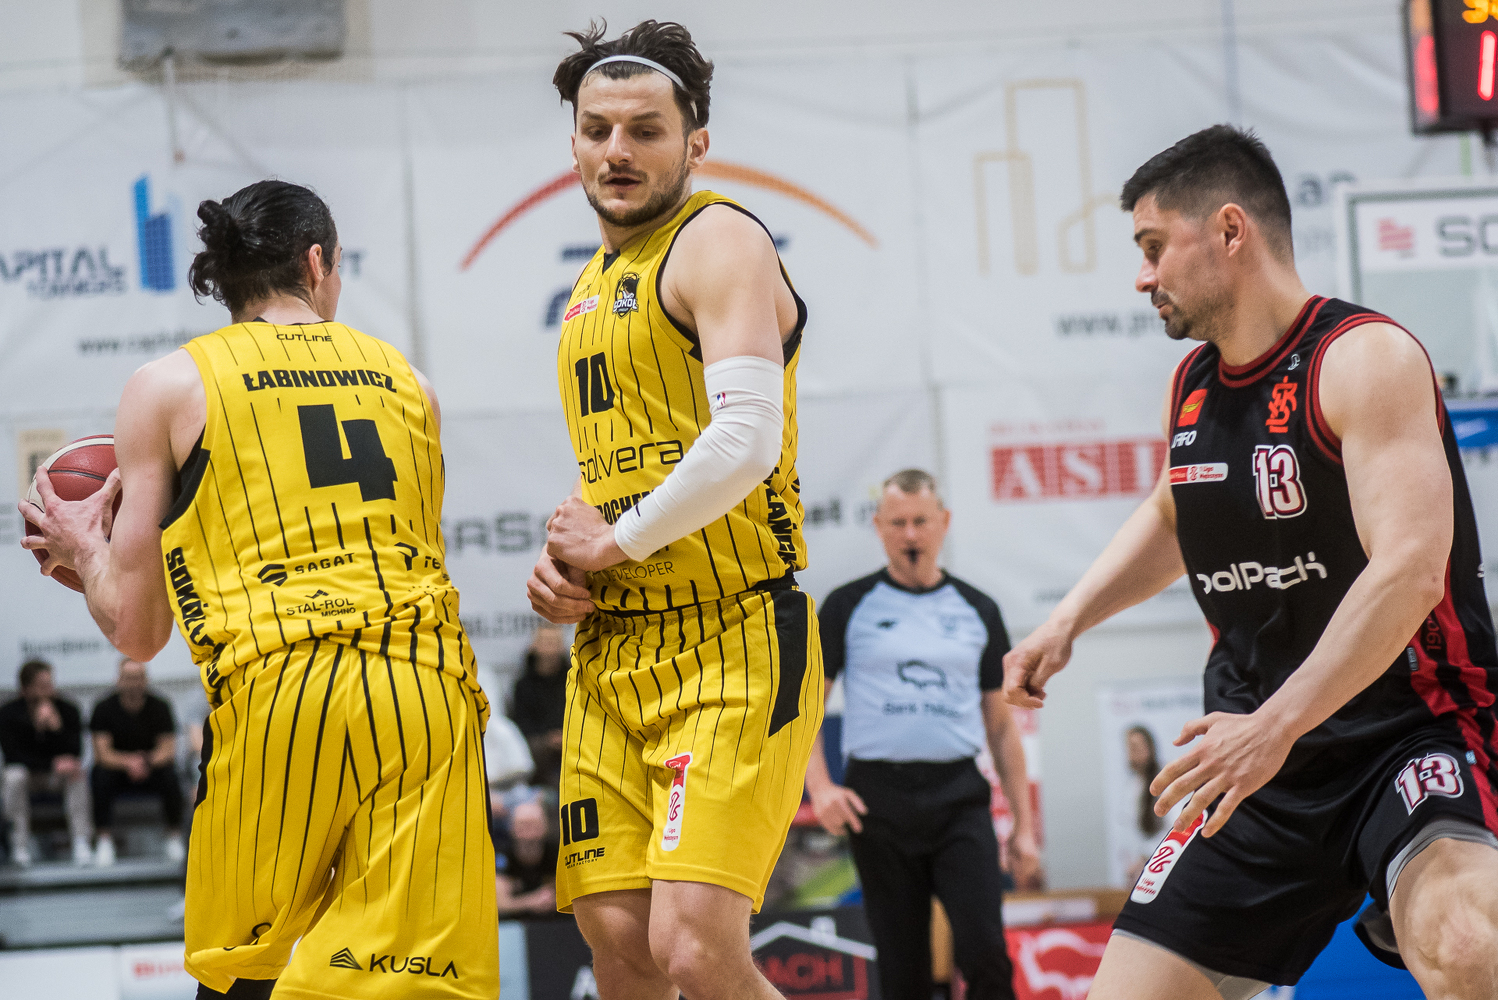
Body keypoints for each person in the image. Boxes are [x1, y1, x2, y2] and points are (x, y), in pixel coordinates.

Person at [1004, 125, 1498, 1000]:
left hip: (1405, 732)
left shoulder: (1365, 358)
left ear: (1230, 230)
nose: (1142, 276)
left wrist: (1275, 726)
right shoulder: (1193, 385)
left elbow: (1411, 572)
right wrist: (1067, 620)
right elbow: (1175, 514)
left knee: (1466, 943)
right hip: (1256, 760)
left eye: (1153, 246)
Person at [21, 180, 497, 999]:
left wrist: (84, 550)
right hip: (425, 693)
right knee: (414, 980)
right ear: (317, 263)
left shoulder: (170, 386)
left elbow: (138, 631)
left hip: (284, 690)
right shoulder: (410, 384)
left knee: (247, 972)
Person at [527, 20, 823, 1000]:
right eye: (597, 129)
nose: (617, 150)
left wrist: (615, 539)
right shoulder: (589, 284)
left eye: (645, 130)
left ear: (695, 142)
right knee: (619, 944)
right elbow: (624, 463)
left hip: (732, 636)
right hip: (613, 647)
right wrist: (568, 559)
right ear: (574, 141)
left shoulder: (719, 238)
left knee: (694, 946)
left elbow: (747, 438)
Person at [805, 469, 1039, 1000]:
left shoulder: (979, 609)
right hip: (877, 801)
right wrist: (820, 787)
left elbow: (1001, 727)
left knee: (985, 951)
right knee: (902, 966)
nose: (910, 534)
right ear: (878, 527)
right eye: (898, 523)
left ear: (943, 523)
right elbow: (805, 711)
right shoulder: (846, 606)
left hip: (958, 798)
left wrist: (1024, 829)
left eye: (920, 521)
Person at [88, 656, 183, 866]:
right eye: (129, 678)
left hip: (151, 768)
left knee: (171, 775)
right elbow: (102, 753)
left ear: (146, 679)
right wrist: (129, 762)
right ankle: (104, 840)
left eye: (139, 677)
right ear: (119, 679)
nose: (134, 683)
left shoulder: (160, 706)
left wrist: (145, 761)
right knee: (99, 775)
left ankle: (173, 837)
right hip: (117, 770)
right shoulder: (103, 707)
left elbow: (168, 749)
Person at [0, 660, 90, 866]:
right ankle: (19, 845)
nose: (48, 691)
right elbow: (13, 756)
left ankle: (81, 841)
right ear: (25, 689)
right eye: (41, 686)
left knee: (77, 774)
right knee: (13, 777)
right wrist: (48, 757)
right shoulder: (9, 713)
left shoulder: (67, 709)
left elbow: (76, 751)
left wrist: (56, 728)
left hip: (56, 777)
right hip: (29, 775)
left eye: (50, 684)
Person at [509, 624, 568, 789]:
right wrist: (547, 739)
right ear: (534, 646)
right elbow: (520, 725)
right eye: (545, 642)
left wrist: (566, 735)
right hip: (539, 750)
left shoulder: (575, 680)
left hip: (571, 742)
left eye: (554, 642)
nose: (550, 648)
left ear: (563, 646)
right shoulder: (523, 685)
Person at [495, 798, 559, 917]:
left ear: (546, 826)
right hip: (514, 923)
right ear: (512, 827)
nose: (529, 830)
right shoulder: (502, 856)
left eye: (534, 824)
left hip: (558, 921)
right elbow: (500, 904)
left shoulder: (558, 854)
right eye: (523, 824)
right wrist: (532, 901)